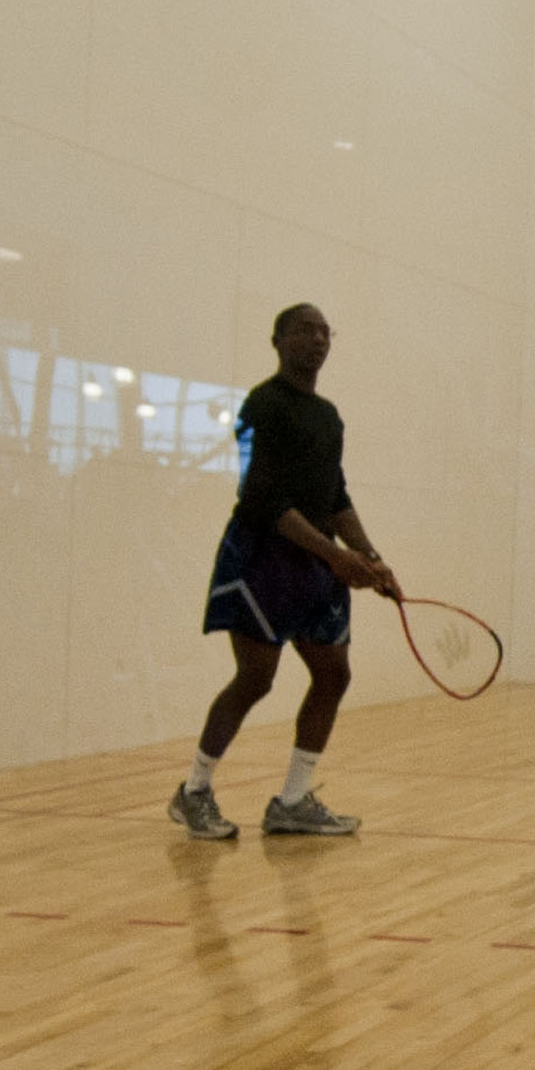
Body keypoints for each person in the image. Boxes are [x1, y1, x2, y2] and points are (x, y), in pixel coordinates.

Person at [173, 303, 399, 841]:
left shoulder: (328, 416)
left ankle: (293, 801)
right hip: (261, 557)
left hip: (317, 563)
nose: (318, 339)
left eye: (325, 332)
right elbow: (262, 497)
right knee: (257, 678)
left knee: (333, 674)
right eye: (305, 330)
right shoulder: (262, 405)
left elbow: (335, 494)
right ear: (277, 341)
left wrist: (370, 557)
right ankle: (194, 791)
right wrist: (334, 556)